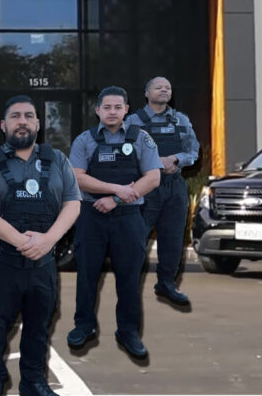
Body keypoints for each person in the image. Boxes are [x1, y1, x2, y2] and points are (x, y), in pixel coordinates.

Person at [0, 95, 81, 396]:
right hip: (1, 264)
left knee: (38, 328)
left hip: (43, 266)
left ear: (38, 124)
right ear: (4, 125)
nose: (22, 121)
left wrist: (48, 240)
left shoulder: (58, 160)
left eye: (29, 116)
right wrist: (22, 242)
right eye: (15, 116)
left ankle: (33, 383)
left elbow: (73, 203)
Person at [66, 86, 161, 359]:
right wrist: (116, 189)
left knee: (129, 277)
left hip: (128, 218)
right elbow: (77, 177)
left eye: (118, 107)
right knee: (87, 274)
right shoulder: (84, 140)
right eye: (106, 107)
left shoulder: (142, 138)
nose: (112, 112)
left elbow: (153, 178)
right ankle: (84, 326)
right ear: (98, 110)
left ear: (126, 110)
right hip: (91, 216)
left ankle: (128, 331)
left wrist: (116, 200)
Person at [125, 77, 200, 305]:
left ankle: (166, 284)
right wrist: (155, 162)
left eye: (168, 87)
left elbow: (193, 151)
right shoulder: (134, 121)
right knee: (136, 238)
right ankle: (129, 287)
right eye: (158, 87)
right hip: (146, 187)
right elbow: (126, 151)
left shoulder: (180, 120)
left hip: (174, 186)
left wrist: (175, 159)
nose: (164, 90)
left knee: (173, 238)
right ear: (147, 93)